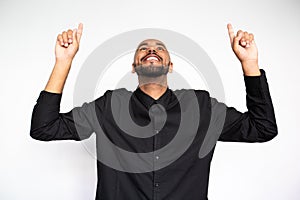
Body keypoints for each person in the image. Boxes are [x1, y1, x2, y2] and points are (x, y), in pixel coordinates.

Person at [30, 23, 278, 200]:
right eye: (143, 48)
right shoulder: (109, 106)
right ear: (134, 67)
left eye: (159, 47)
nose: (151, 49)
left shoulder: (202, 107)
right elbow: (44, 128)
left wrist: (250, 64)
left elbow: (262, 128)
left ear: (170, 66)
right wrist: (63, 63)